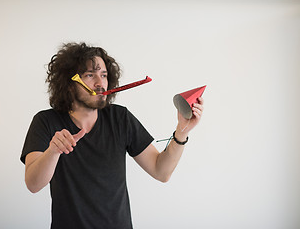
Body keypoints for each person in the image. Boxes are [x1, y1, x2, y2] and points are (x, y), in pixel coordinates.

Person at [20, 42, 204, 229]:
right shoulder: (46, 121)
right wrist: (53, 151)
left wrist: (182, 130)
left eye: (104, 75)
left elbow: (161, 171)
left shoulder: (120, 118)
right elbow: (33, 184)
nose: (100, 83)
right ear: (69, 84)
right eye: (90, 75)